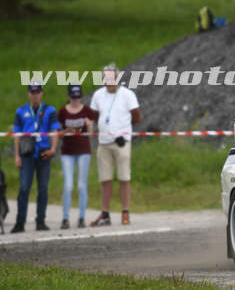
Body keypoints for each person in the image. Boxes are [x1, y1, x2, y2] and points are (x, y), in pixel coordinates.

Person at [89, 64, 141, 226]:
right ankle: (105, 213)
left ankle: (125, 212)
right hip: (104, 143)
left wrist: (124, 132)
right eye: (107, 78)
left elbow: (136, 116)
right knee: (105, 179)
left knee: (124, 178)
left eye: (113, 78)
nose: (110, 81)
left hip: (121, 143)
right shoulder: (98, 95)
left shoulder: (127, 94)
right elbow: (94, 115)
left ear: (118, 79)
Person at [11, 82, 60, 233]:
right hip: (27, 153)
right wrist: (17, 155)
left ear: (41, 93)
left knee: (43, 188)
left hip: (43, 153)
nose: (35, 95)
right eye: (32, 93)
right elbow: (17, 135)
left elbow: (55, 131)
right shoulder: (21, 111)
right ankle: (20, 222)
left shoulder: (50, 110)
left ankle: (41, 221)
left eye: (37, 92)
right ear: (28, 94)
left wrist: (53, 149)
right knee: (24, 188)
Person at [57, 85, 96, 229]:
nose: (76, 100)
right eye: (73, 97)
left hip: (83, 151)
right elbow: (59, 133)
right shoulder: (63, 111)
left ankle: (81, 217)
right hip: (67, 152)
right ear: (68, 97)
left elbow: (90, 134)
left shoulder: (87, 111)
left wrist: (89, 125)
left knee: (81, 185)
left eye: (78, 97)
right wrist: (73, 129)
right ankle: (65, 218)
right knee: (68, 185)